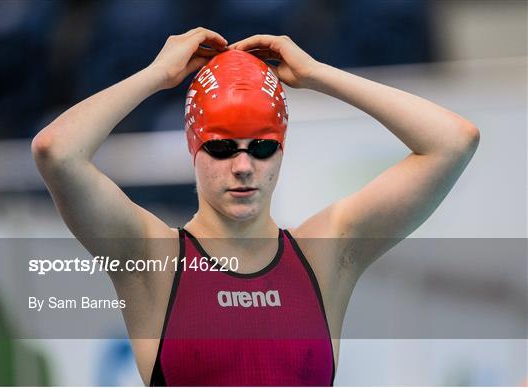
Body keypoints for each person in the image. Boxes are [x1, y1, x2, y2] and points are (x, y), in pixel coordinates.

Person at [32, 27, 480, 386]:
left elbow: (453, 142)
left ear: (282, 150)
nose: (243, 166)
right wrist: (156, 75)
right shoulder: (151, 260)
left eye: (262, 147)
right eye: (222, 147)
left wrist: (319, 74)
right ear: (194, 147)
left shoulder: (326, 255)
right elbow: (56, 151)